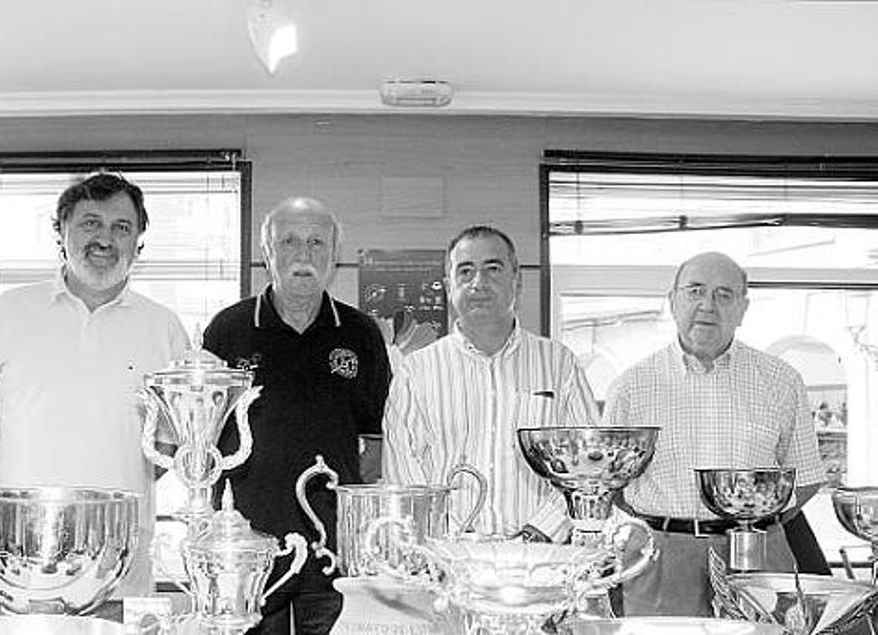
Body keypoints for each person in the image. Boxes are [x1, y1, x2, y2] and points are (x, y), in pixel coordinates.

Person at [0, 173, 188, 600]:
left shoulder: (164, 328)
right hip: (21, 558)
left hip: (118, 561)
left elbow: (168, 446)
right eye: (90, 223)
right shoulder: (7, 312)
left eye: (122, 227)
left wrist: (115, 483)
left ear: (139, 243)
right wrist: (37, 478)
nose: (105, 239)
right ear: (61, 234)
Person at [602, 251, 827, 617]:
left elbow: (806, 477)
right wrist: (666, 528)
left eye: (724, 294)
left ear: (743, 308)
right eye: (695, 291)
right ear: (672, 301)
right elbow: (610, 482)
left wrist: (756, 523)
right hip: (660, 558)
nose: (708, 305)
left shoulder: (782, 380)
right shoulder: (631, 386)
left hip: (759, 556)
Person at [204, 197, 391, 635]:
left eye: (316, 242)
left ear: (334, 255)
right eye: (288, 241)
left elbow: (374, 446)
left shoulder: (362, 334)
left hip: (333, 548)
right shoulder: (227, 330)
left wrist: (343, 512)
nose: (303, 254)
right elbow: (203, 442)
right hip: (247, 547)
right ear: (267, 253)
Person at [382, 225, 598, 541]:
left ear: (517, 280)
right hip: (446, 555)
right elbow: (403, 471)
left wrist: (540, 533)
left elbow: (587, 463)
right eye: (465, 271)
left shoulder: (559, 364)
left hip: (541, 555)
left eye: (493, 269)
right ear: (448, 286)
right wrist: (447, 542)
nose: (478, 282)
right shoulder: (416, 372)